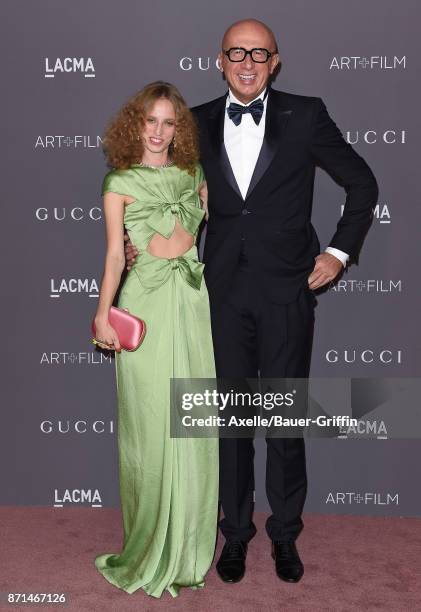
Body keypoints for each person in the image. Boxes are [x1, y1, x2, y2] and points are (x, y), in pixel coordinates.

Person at [124, 20, 378, 584]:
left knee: (284, 422)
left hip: (289, 289)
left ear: (275, 62)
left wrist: (338, 254)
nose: (247, 61)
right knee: (232, 422)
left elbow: (363, 183)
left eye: (258, 54)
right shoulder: (196, 122)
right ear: (219, 60)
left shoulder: (306, 114)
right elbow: (164, 189)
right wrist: (133, 238)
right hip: (219, 294)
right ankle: (234, 535)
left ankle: (285, 536)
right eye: (236, 52)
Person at [92, 81, 218, 598]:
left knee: (190, 427)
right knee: (148, 429)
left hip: (188, 304)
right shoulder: (118, 181)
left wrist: (176, 223)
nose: (160, 132)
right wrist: (103, 313)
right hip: (143, 302)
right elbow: (117, 256)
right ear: (135, 124)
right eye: (151, 121)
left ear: (179, 129)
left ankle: (188, 550)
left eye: (170, 123)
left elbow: (180, 242)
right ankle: (145, 548)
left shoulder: (195, 175)